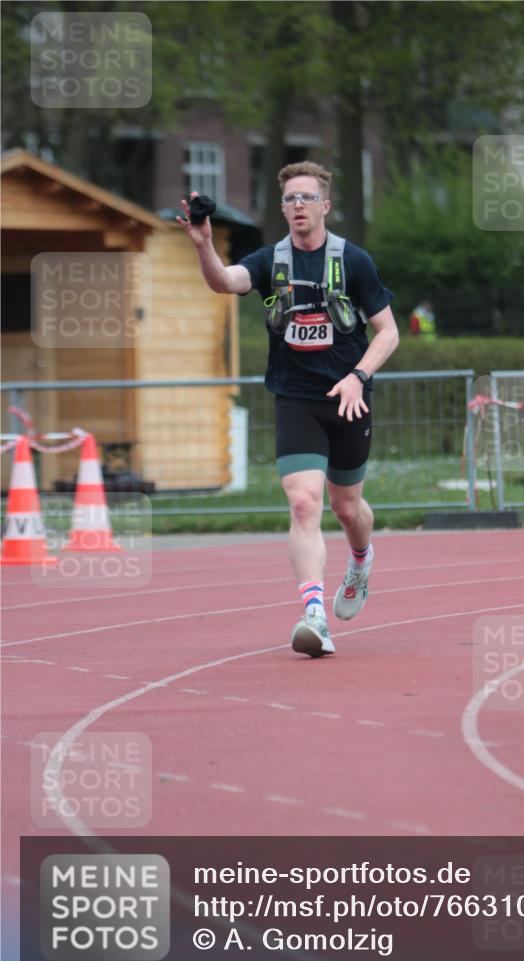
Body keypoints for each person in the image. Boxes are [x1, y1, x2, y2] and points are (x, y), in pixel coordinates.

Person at [178, 161, 399, 658]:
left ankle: (361, 561)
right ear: (282, 208)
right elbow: (224, 282)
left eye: (306, 197)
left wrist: (358, 377)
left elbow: (388, 331)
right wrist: (203, 245)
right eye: (289, 199)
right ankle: (314, 616)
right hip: (295, 400)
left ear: (325, 205)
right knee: (304, 502)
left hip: (348, 398)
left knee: (347, 508)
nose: (298, 206)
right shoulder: (269, 260)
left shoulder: (353, 261)